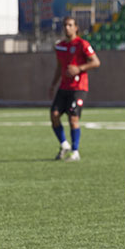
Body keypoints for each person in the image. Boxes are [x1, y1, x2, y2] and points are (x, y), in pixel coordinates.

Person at [49, 17, 100, 161]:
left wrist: (79, 68)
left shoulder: (82, 44)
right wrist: (53, 85)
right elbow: (59, 67)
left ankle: (75, 151)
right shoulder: (60, 46)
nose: (67, 28)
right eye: (65, 25)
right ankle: (64, 144)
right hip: (63, 87)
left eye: (70, 25)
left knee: (73, 118)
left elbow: (96, 62)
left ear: (76, 27)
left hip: (78, 88)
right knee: (54, 115)